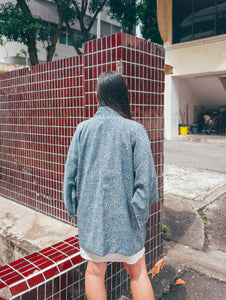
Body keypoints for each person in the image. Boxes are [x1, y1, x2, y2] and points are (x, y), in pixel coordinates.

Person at [63, 71, 159, 300]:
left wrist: (73, 208)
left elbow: (69, 176)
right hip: (128, 218)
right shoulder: (135, 130)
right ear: (122, 97)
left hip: (93, 217)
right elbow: (145, 179)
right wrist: (139, 213)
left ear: (98, 97)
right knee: (137, 273)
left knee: (95, 272)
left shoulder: (82, 129)